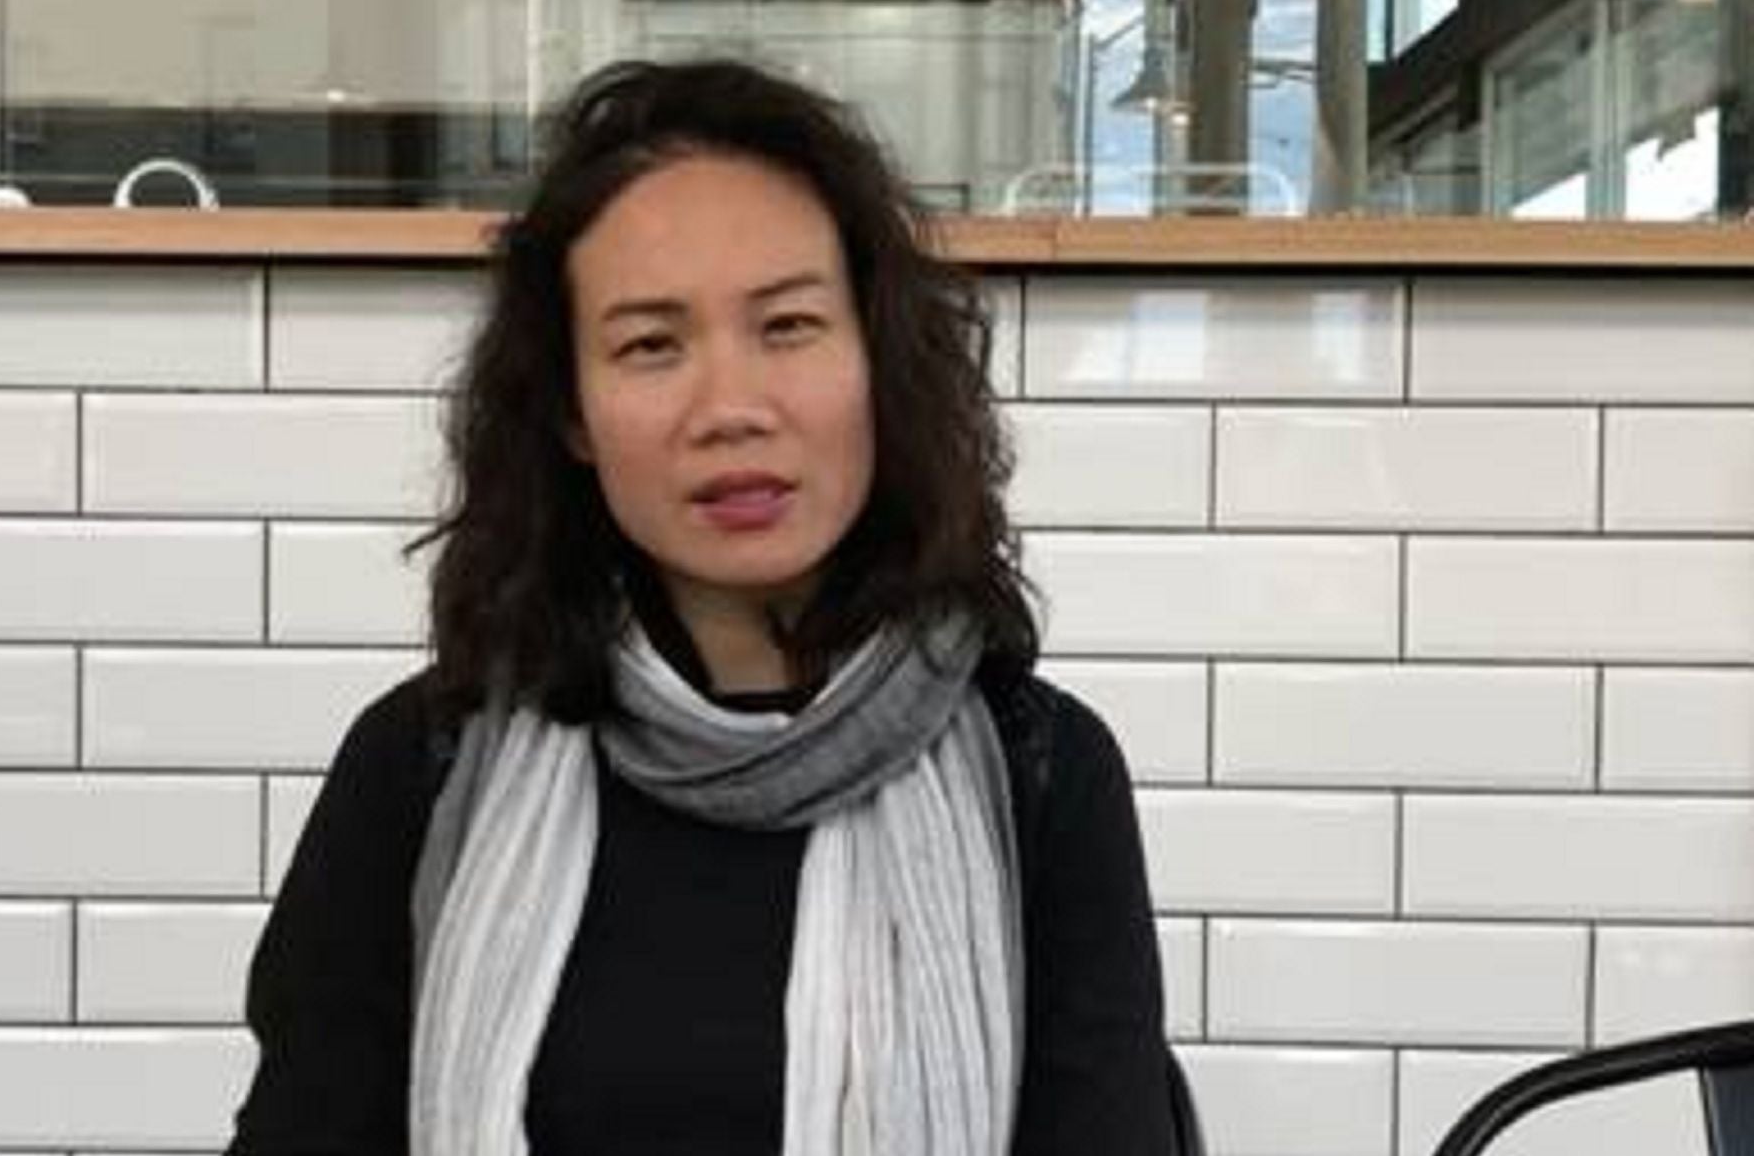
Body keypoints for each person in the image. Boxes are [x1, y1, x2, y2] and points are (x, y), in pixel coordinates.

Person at [226, 58, 1176, 1156]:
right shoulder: (425, 764)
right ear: (572, 414)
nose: (730, 406)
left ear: (876, 360)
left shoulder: (1041, 773)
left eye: (788, 326)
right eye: (650, 345)